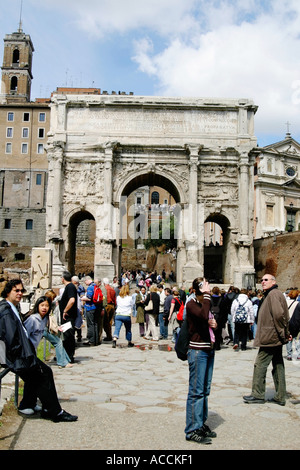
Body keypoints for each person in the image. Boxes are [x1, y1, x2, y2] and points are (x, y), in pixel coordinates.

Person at [0, 279, 77, 422]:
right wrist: (25, 355)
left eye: (21, 291)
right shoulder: (6, 310)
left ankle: (32, 404)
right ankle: (55, 412)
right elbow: (11, 338)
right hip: (18, 356)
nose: (19, 293)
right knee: (43, 374)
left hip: (21, 354)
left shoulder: (12, 307)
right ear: (8, 291)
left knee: (38, 375)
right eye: (16, 290)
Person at [243, 274, 290, 406]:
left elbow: (279, 315)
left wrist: (283, 333)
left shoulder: (273, 294)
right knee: (278, 365)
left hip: (271, 336)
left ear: (273, 282)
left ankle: (257, 394)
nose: (263, 282)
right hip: (274, 335)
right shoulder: (272, 294)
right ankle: (280, 395)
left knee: (260, 364)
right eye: (262, 280)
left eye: (266, 280)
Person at [185, 277, 217, 444]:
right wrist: (206, 296)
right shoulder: (191, 304)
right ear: (199, 288)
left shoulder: (204, 303)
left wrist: (215, 325)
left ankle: (200, 423)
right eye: (205, 286)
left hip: (208, 349)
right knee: (196, 391)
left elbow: (207, 320)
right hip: (197, 351)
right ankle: (192, 429)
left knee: (205, 390)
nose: (209, 288)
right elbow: (203, 315)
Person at [43, 290, 72, 368]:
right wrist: (55, 327)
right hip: (46, 328)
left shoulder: (47, 304)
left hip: (47, 327)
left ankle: (66, 360)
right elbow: (48, 319)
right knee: (58, 342)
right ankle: (62, 362)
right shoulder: (46, 305)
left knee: (58, 341)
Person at [59, 271, 78, 362]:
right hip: (68, 317)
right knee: (67, 336)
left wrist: (65, 310)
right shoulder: (70, 287)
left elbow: (72, 300)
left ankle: (69, 356)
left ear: (63, 279)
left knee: (68, 336)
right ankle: (66, 355)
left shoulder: (70, 287)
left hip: (68, 317)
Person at [81, 276, 102, 346]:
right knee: (95, 323)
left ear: (87, 280)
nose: (85, 283)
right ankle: (96, 340)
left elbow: (89, 298)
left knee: (90, 324)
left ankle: (91, 340)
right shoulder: (95, 286)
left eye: (85, 282)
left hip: (90, 307)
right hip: (96, 307)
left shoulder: (90, 287)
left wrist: (82, 298)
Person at [112, 284, 134, 348]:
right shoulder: (130, 298)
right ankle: (129, 341)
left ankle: (114, 339)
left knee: (117, 328)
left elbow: (117, 304)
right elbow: (132, 306)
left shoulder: (118, 298)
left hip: (119, 314)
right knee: (128, 329)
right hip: (126, 315)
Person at [285, 289, 300, 360]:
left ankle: (289, 354)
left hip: (287, 322)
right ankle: (298, 353)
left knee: (288, 338)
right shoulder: (298, 303)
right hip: (295, 322)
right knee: (296, 338)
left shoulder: (285, 302)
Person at [101, 277, 117, 342]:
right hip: (112, 305)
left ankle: (108, 335)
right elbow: (114, 299)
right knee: (110, 321)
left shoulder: (104, 289)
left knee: (105, 321)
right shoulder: (112, 289)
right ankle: (109, 335)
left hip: (106, 305)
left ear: (104, 283)